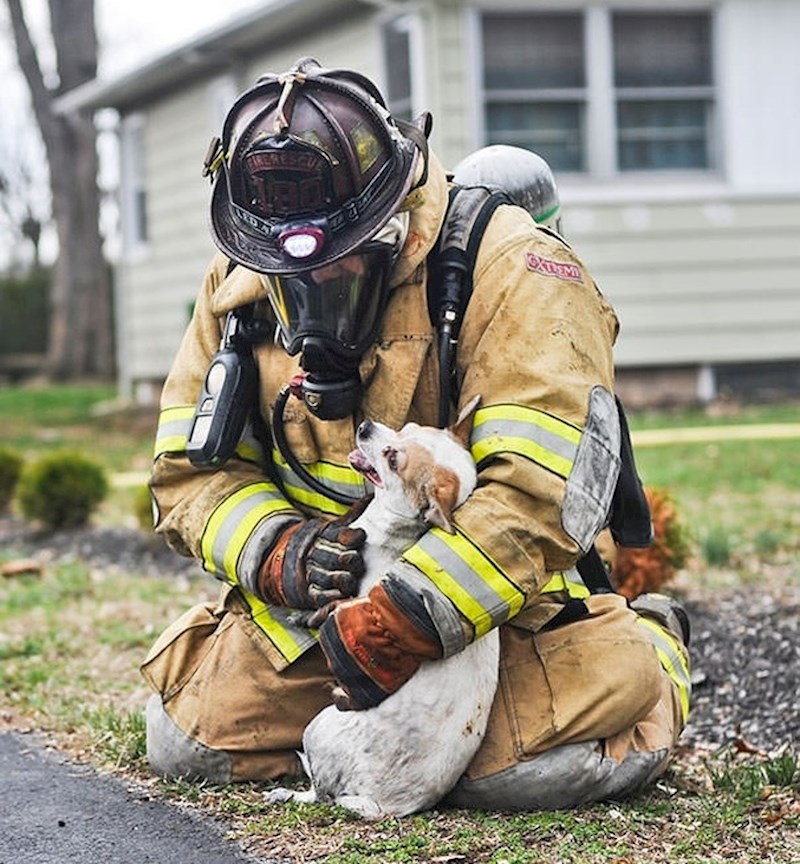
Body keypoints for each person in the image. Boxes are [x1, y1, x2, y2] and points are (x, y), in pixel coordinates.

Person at [142, 57, 691, 810]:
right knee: (192, 744)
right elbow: (187, 475)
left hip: (491, 609)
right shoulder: (237, 282)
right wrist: (277, 550)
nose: (307, 299)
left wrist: (409, 616)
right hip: (322, 612)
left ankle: (656, 649)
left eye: (334, 270)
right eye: (286, 274)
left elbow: (541, 493)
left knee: (513, 778)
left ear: (392, 225)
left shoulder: (511, 267)